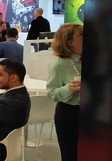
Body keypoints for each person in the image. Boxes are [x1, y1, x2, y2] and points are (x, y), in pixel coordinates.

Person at [46, 23, 82, 161]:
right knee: (70, 155)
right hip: (69, 115)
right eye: (81, 35)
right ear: (69, 42)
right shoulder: (59, 65)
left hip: (94, 115)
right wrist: (68, 89)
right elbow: (51, 93)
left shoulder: (95, 60)